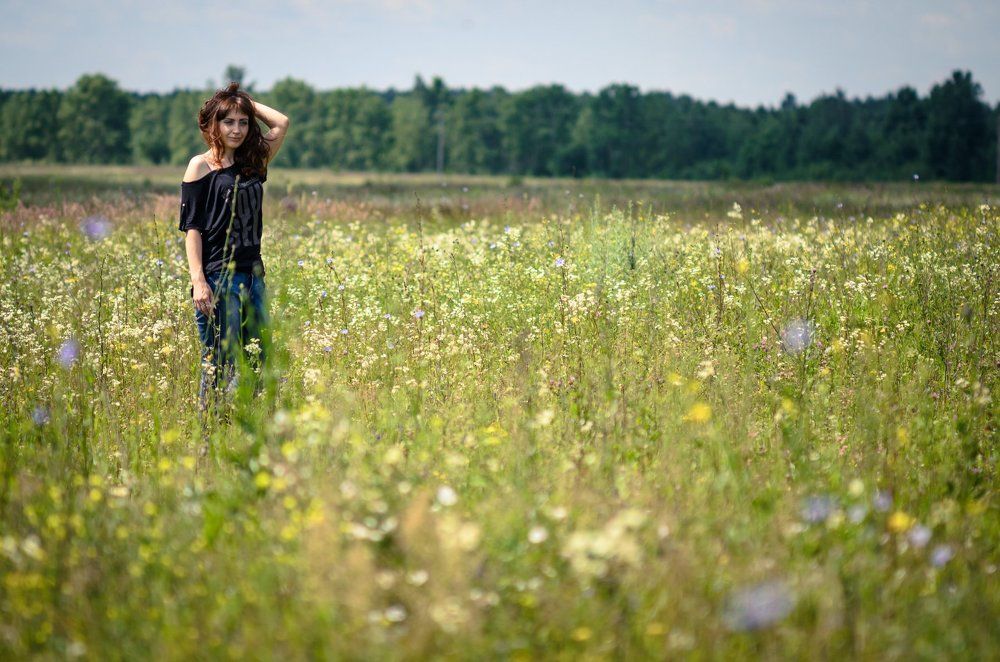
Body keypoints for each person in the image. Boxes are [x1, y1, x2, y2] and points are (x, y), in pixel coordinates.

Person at [179, 82, 289, 411]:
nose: (237, 130)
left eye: (243, 122)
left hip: (254, 277)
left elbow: (281, 122)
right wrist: (199, 280)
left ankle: (245, 421)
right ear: (214, 124)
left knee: (258, 357)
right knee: (219, 361)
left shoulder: (253, 161)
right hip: (218, 278)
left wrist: (243, 103)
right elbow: (192, 228)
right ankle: (210, 428)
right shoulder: (200, 166)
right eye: (228, 122)